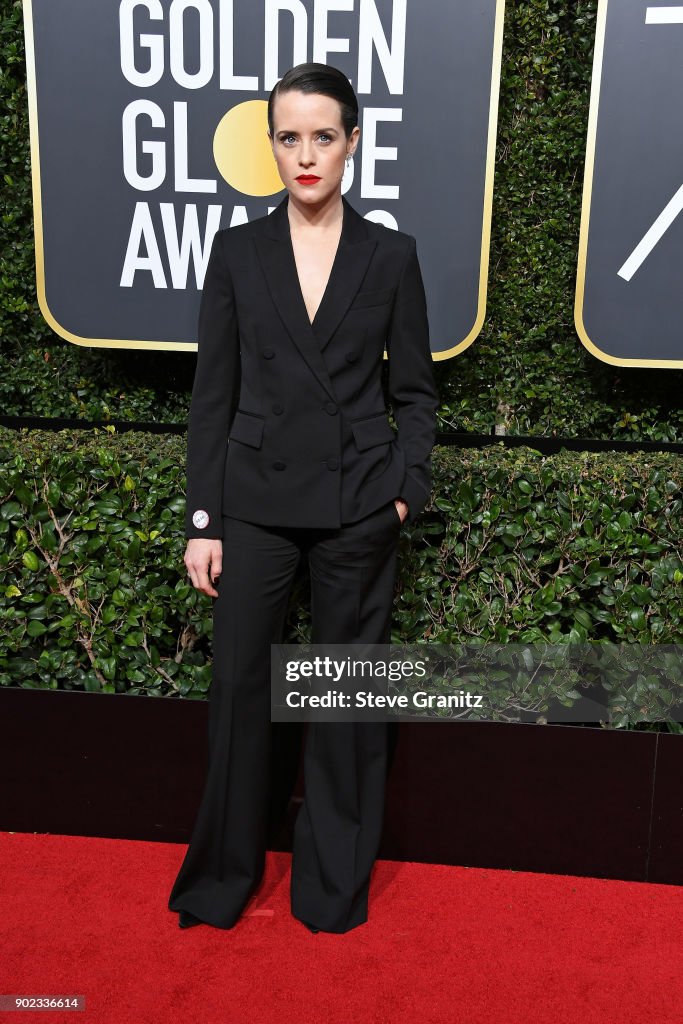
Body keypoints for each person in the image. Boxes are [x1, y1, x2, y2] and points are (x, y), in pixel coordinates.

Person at [168, 62, 438, 935]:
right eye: (289, 137)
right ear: (272, 147)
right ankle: (221, 880)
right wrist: (202, 520)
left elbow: (417, 396)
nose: (306, 154)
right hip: (250, 505)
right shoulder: (237, 251)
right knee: (241, 698)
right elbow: (214, 394)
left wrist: (405, 492)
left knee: (342, 703)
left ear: (352, 141)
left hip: (358, 505)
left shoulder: (390, 254)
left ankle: (330, 889)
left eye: (324, 135)